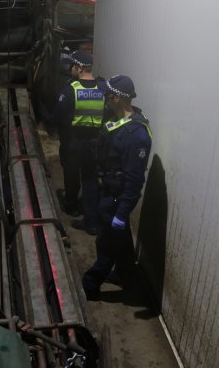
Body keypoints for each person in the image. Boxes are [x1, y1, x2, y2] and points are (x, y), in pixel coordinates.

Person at [81, 75, 152, 300]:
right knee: (120, 241)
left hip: (115, 200)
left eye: (110, 97)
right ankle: (126, 274)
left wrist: (122, 213)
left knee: (106, 244)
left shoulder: (136, 136)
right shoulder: (119, 120)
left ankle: (89, 285)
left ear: (119, 98)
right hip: (109, 192)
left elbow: (134, 180)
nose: (107, 100)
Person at [42, 50, 104, 235]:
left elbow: (54, 119)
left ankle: (72, 206)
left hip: (73, 143)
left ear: (78, 68)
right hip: (95, 144)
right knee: (91, 180)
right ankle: (91, 220)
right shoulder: (102, 88)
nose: (70, 69)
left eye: (71, 66)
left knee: (71, 174)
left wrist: (42, 110)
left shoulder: (70, 90)